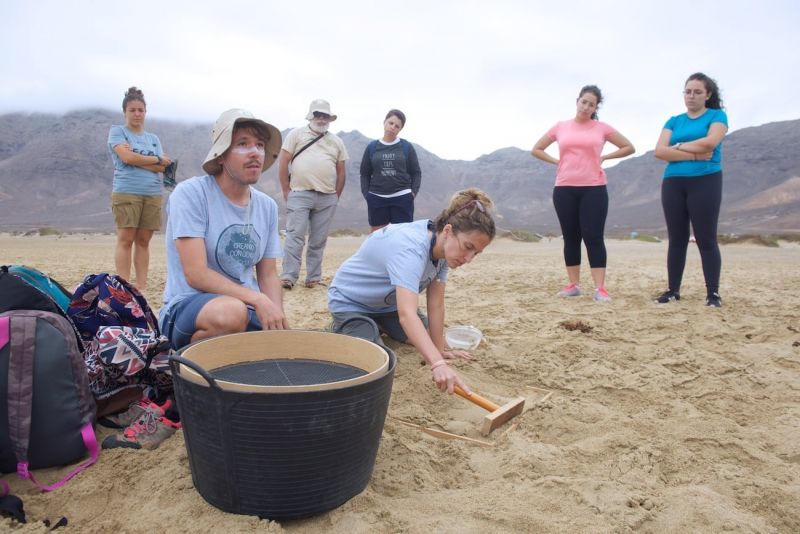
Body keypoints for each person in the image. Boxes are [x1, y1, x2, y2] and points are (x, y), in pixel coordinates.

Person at [328, 188, 496, 395]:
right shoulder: (411, 248)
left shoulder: (443, 252)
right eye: (467, 247)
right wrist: (437, 365)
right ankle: (347, 326)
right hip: (351, 302)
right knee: (377, 357)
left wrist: (439, 351)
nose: (468, 259)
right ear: (448, 231)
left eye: (476, 253)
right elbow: (407, 315)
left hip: (389, 307)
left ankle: (381, 324)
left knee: (430, 340)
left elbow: (436, 305)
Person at [158, 108, 288, 352]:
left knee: (283, 342)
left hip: (247, 307)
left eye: (260, 145)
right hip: (190, 307)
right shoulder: (192, 194)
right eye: (242, 144)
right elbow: (196, 273)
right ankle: (190, 366)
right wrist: (257, 298)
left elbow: (268, 275)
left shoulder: (267, 206)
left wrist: (276, 320)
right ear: (220, 156)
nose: (255, 152)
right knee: (230, 313)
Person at [531, 85, 635, 302]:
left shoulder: (602, 128)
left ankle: (600, 289)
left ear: (596, 108)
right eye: (584, 102)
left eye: (591, 104)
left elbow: (628, 147)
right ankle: (573, 285)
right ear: (577, 101)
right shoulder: (561, 127)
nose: (586, 107)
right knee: (571, 238)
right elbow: (537, 149)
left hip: (594, 188)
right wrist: (557, 162)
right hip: (564, 188)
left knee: (593, 237)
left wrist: (605, 157)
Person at [654, 73, 728, 307]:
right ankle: (673, 290)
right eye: (688, 91)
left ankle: (713, 293)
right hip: (674, 182)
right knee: (677, 238)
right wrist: (693, 154)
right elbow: (660, 151)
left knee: (706, 238)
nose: (692, 96)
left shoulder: (717, 116)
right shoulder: (674, 121)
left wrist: (676, 147)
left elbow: (710, 143)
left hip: (706, 180)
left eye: (697, 92)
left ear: (708, 94)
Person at [278, 99, 348, 289]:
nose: (321, 119)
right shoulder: (296, 134)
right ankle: (288, 276)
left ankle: (313, 278)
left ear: (330, 119)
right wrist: (286, 190)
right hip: (299, 193)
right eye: (318, 114)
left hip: (327, 197)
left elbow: (341, 171)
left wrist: (335, 197)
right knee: (295, 236)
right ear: (311, 116)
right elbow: (283, 162)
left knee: (318, 240)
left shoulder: (337, 142)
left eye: (325, 115)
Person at [108, 87, 172, 290]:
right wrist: (156, 159)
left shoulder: (153, 139)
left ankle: (141, 288)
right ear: (124, 112)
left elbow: (162, 167)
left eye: (140, 110)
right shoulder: (118, 132)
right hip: (127, 191)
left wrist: (139, 159)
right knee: (126, 239)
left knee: (144, 241)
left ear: (145, 112)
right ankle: (124, 287)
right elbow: (126, 158)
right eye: (132, 110)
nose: (137, 114)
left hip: (152, 193)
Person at [360, 109, 422, 232]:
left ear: (400, 129)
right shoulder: (372, 147)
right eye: (391, 123)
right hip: (377, 197)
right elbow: (364, 173)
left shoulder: (406, 146)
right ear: (384, 122)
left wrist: (413, 193)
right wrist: (367, 195)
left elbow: (416, 172)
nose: (393, 127)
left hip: (402, 197)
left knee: (402, 236)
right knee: (378, 237)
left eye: (397, 126)